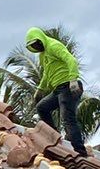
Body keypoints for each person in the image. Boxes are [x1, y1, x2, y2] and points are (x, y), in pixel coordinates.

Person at [25, 27, 88, 156]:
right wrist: (39, 90)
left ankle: (80, 151)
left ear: (41, 39)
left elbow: (71, 60)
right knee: (42, 107)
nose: (37, 47)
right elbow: (46, 74)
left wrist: (73, 79)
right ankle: (54, 137)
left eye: (37, 43)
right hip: (58, 89)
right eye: (34, 46)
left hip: (69, 86)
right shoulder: (43, 56)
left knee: (67, 118)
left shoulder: (54, 46)